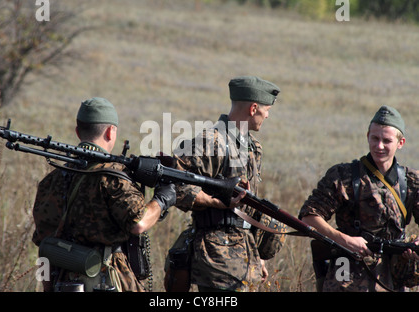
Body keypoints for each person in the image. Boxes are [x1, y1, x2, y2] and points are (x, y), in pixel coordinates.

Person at [32, 97, 176, 292]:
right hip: (107, 279)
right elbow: (139, 222)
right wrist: (162, 199)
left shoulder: (51, 181)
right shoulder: (112, 177)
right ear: (110, 132)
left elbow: (44, 249)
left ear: (78, 132)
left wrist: (48, 289)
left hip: (63, 282)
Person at [171, 76, 286, 292]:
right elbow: (175, 186)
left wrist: (258, 256)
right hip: (217, 257)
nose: (268, 115)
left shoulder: (253, 147)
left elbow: (249, 204)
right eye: (267, 110)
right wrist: (216, 202)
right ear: (253, 108)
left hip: (245, 252)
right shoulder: (208, 142)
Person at [299, 105, 419, 292]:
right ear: (367, 136)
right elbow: (308, 216)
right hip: (344, 273)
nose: (379, 146)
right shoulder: (343, 175)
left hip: (391, 277)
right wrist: (344, 239)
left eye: (386, 141)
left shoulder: (412, 182)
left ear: (401, 143)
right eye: (375, 138)